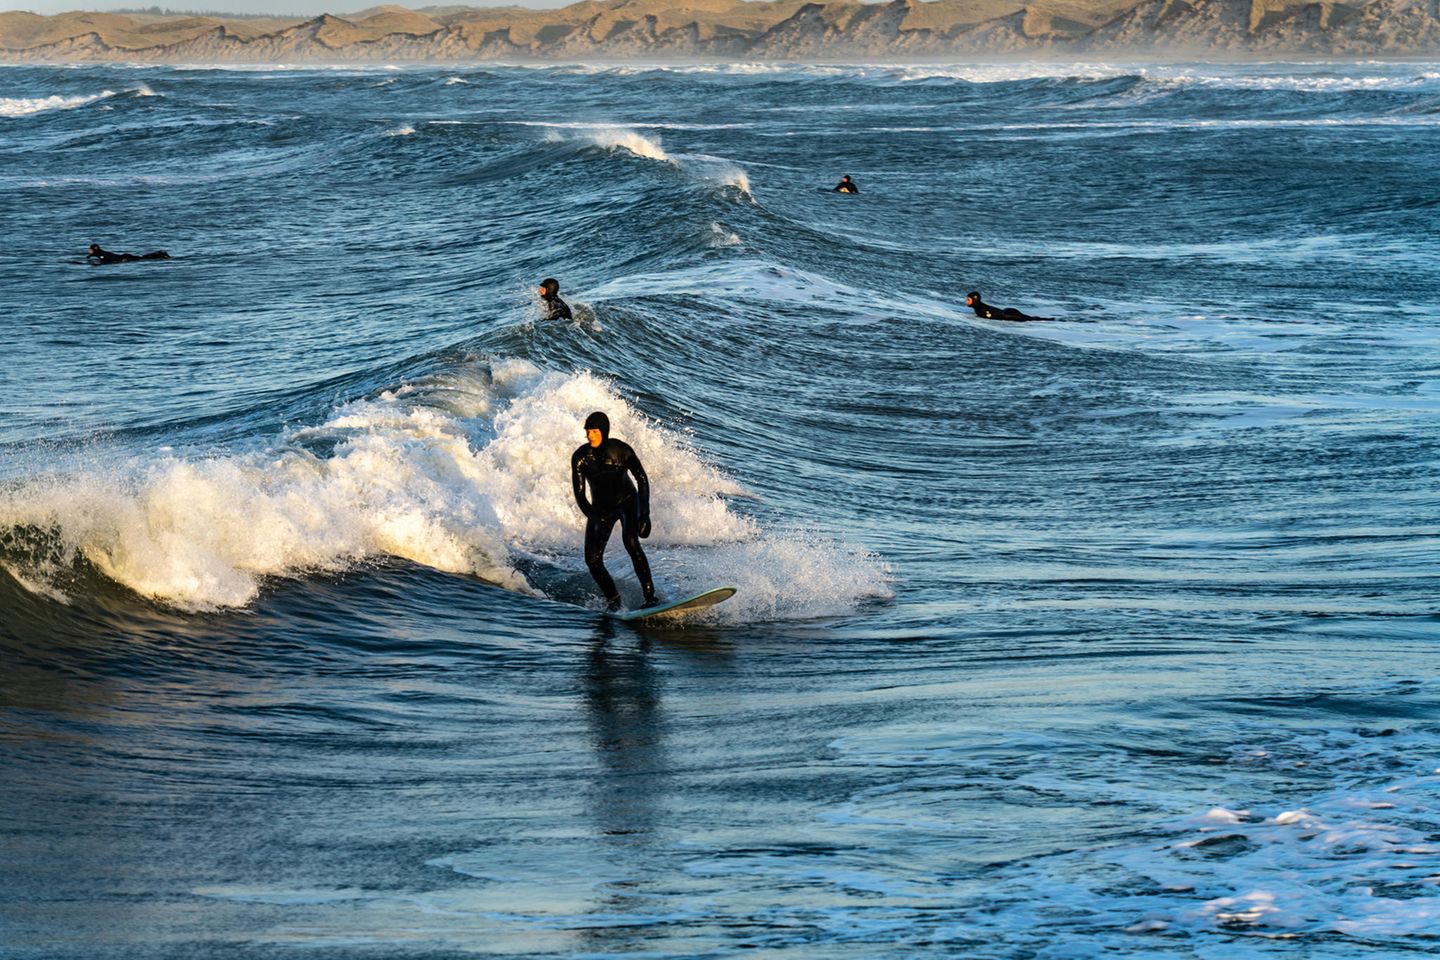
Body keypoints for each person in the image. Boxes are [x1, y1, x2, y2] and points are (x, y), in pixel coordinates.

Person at [571, 411, 658, 611]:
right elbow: (580, 495)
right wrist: (594, 517)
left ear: (603, 431)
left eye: (593, 431)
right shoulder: (580, 457)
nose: (589, 436)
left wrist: (645, 514)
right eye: (587, 431)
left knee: (631, 543)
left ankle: (650, 597)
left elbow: (642, 479)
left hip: (627, 501)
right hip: (600, 508)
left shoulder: (622, 451)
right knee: (592, 559)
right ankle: (613, 600)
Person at [965, 291, 1054, 322]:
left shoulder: (980, 309)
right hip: (1007, 312)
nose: (966, 302)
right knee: (1031, 318)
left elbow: (993, 317)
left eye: (968, 300)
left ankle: (1052, 320)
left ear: (974, 300)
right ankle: (1051, 319)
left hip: (1008, 314)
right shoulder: (980, 308)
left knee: (1032, 319)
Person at [86, 243, 169, 264]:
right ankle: (158, 254)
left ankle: (159, 255)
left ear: (94, 249)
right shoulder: (99, 254)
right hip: (123, 257)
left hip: (124, 258)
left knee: (143, 258)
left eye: (90, 249)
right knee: (142, 258)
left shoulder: (101, 255)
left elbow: (108, 261)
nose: (88, 251)